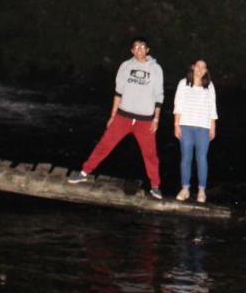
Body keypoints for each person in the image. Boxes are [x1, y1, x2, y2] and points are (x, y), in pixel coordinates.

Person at [68, 37, 165, 198]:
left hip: (145, 120)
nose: (139, 50)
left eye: (142, 47)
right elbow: (118, 92)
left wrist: (156, 119)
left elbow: (159, 96)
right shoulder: (125, 66)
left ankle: (155, 185)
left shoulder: (156, 69)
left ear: (147, 50)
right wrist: (112, 115)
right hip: (123, 116)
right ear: (132, 51)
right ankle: (84, 172)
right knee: (104, 145)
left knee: (150, 154)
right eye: (136, 47)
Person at [173, 59, 217, 204]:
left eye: (203, 67)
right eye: (198, 66)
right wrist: (176, 124)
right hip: (185, 125)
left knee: (202, 159)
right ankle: (185, 189)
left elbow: (212, 107)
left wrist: (213, 126)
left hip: (203, 127)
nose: (200, 69)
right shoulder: (183, 83)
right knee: (186, 158)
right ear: (193, 67)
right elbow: (178, 104)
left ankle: (201, 191)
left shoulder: (209, 86)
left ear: (206, 71)